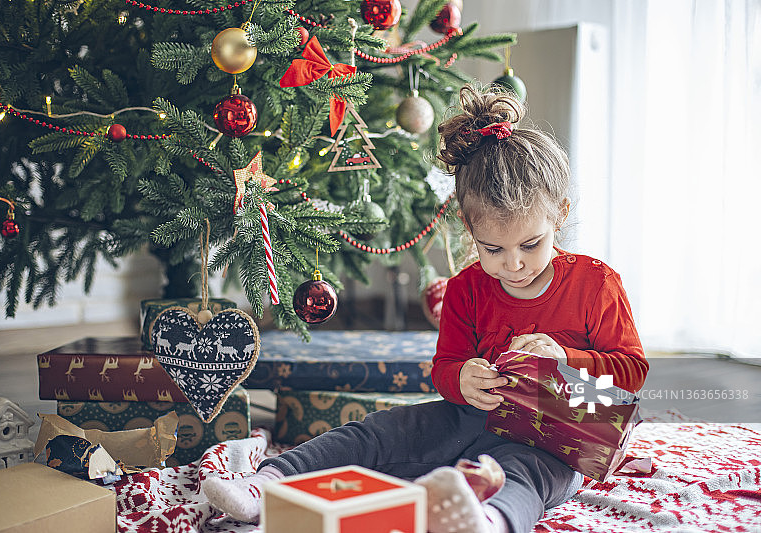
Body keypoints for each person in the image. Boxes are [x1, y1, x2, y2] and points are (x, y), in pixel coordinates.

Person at [203, 85, 649, 533]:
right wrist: (462, 379)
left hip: (554, 438)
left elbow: (631, 371)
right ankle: (268, 483)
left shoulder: (595, 285)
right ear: (468, 227)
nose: (513, 264)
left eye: (531, 245)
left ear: (561, 214)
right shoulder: (466, 289)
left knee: (524, 474)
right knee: (382, 431)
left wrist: (565, 360)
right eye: (492, 249)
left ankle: (486, 521)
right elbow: (444, 369)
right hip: (470, 418)